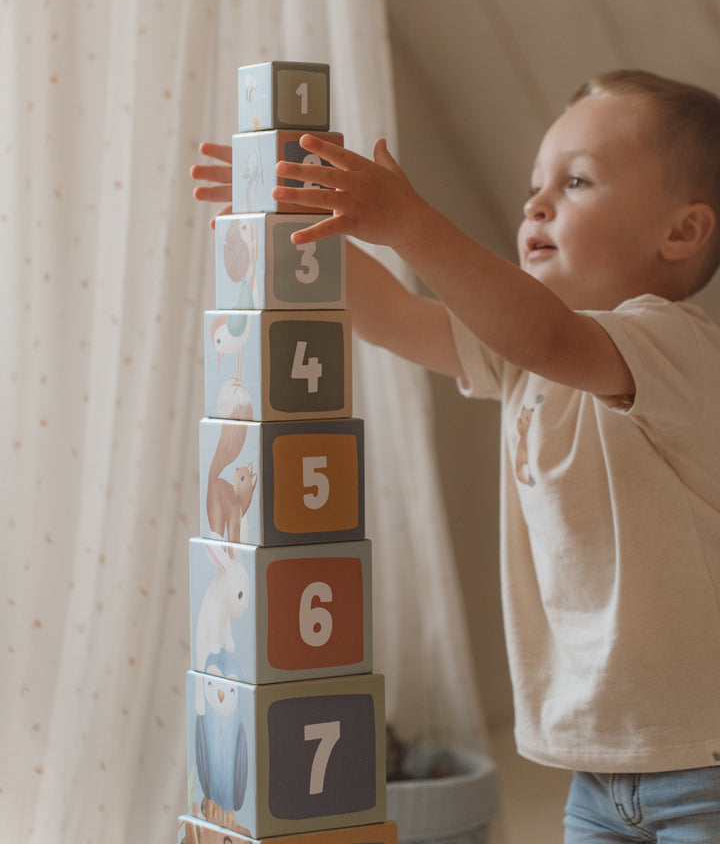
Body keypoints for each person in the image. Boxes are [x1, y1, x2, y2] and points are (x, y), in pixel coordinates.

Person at [191, 69, 720, 842]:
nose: (538, 204)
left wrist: (407, 222)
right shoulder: (523, 358)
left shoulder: (675, 345)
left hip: (700, 766)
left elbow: (542, 333)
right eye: (535, 186)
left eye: (577, 182)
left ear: (681, 232)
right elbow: (391, 316)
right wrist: (283, 218)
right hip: (597, 767)